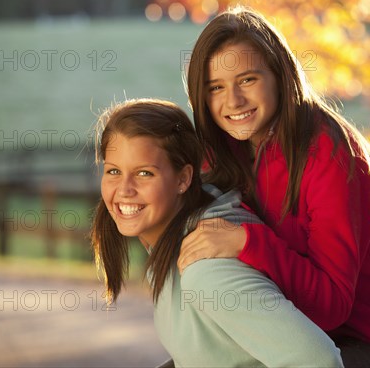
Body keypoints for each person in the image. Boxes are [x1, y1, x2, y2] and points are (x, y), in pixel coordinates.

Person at [180, 7, 370, 367]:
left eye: (248, 80)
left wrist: (246, 241)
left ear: (279, 75)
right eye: (216, 88)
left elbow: (332, 304)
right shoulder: (225, 150)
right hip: (295, 328)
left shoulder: (331, 155)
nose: (233, 101)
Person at [90, 98, 344, 367]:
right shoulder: (173, 244)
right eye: (114, 171)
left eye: (144, 173)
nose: (124, 189)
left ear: (183, 179)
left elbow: (319, 361)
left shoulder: (209, 272)